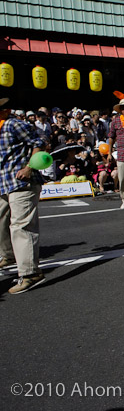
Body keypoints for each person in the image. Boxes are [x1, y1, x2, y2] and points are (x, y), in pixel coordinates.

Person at [0, 97, 47, 294]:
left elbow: (40, 142)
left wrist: (29, 167)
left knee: (21, 225)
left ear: (5, 110)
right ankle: (8, 255)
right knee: (2, 221)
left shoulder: (13, 124)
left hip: (21, 180)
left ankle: (30, 273)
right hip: (4, 183)